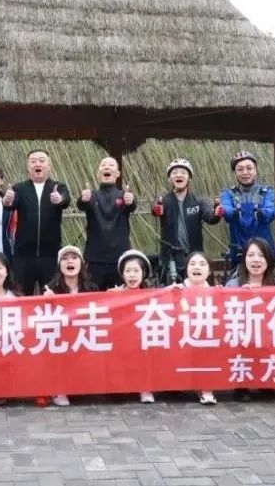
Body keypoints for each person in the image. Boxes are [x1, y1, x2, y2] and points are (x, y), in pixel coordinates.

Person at [4, 149, 71, 295]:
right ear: (28, 166)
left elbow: (66, 199)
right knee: (21, 296)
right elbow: (10, 204)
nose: (37, 164)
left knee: (50, 296)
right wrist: (7, 201)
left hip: (50, 255)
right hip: (23, 256)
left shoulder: (58, 187)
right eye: (33, 161)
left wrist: (59, 199)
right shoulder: (19, 188)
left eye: (41, 160)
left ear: (49, 165)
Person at [41, 245, 96, 408]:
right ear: (59, 265)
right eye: (64, 259)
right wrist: (46, 301)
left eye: (74, 258)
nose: (69, 261)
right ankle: (60, 389)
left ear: (81, 264)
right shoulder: (51, 288)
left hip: (85, 336)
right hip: (61, 338)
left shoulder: (91, 288)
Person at [224, 237, 275, 403]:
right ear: (244, 259)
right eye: (251, 255)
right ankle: (242, 385)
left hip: (268, 343)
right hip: (241, 342)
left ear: (268, 260)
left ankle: (266, 379)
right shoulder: (232, 285)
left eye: (261, 255)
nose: (256, 260)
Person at [152, 158, 221, 284]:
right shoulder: (164, 200)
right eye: (175, 172)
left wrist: (216, 213)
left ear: (189, 178)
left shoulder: (199, 201)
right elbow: (156, 208)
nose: (179, 175)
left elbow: (210, 217)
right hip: (170, 259)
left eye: (183, 172)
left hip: (194, 258)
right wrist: (157, 209)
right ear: (170, 179)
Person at [77, 157, 136, 289]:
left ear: (118, 173)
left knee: (121, 297)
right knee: (94, 297)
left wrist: (130, 200)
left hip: (120, 258)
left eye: (111, 165)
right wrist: (83, 198)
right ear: (98, 174)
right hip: (95, 260)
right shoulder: (92, 196)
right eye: (103, 165)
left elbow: (131, 205)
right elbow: (81, 204)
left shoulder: (123, 195)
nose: (107, 167)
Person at [171, 251, 218, 405]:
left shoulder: (217, 292)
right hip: (181, 339)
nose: (197, 267)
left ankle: (206, 388)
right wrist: (170, 291)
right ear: (186, 269)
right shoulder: (177, 290)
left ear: (209, 271)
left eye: (202, 264)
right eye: (192, 264)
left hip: (205, 338)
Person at [113, 249, 157, 404]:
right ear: (122, 274)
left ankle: (145, 388)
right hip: (122, 339)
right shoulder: (113, 294)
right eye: (128, 271)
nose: (132, 275)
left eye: (136, 271)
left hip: (143, 338)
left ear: (143, 273)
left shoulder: (152, 294)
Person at [220, 151, 275, 270]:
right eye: (240, 169)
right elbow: (227, 211)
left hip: (263, 249)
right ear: (235, 173)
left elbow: (270, 211)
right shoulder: (228, 193)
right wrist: (232, 212)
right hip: (238, 250)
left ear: (255, 170)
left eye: (249, 168)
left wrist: (261, 213)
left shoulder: (267, 191)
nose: (245, 172)